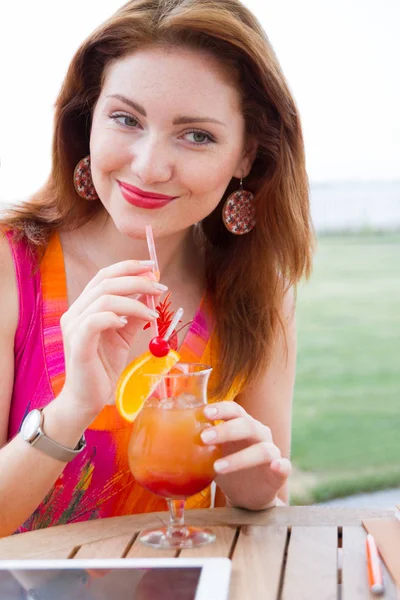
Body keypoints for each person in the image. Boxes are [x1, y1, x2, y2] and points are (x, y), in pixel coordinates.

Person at [0, 0, 313, 537]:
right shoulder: (12, 267)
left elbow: (263, 521)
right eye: (126, 119)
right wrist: (73, 406)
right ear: (88, 119)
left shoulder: (259, 296)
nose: (148, 166)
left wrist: (255, 496)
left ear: (246, 156)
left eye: (197, 135)